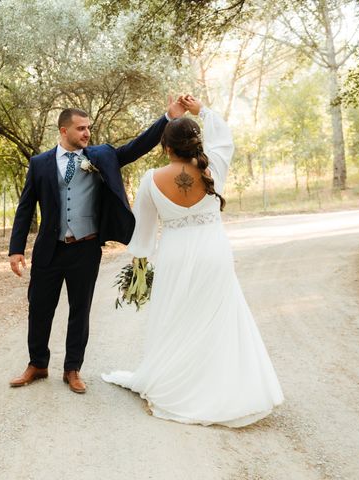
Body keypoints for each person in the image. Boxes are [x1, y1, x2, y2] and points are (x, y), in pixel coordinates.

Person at [102, 95, 284, 426]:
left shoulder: (151, 180)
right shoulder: (213, 166)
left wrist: (140, 265)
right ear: (196, 142)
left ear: (165, 147)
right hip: (213, 252)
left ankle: (179, 383)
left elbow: (142, 232)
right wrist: (202, 110)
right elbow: (224, 137)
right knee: (218, 316)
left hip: (174, 254)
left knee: (176, 316)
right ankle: (225, 387)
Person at [8, 97, 187, 394]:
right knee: (39, 309)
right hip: (49, 251)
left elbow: (137, 147)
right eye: (80, 129)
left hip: (85, 248)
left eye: (88, 127)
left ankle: (72, 369)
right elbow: (25, 207)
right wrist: (16, 249)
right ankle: (37, 364)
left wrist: (167, 118)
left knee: (81, 310)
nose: (87, 133)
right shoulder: (39, 164)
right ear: (63, 131)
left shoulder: (101, 155)